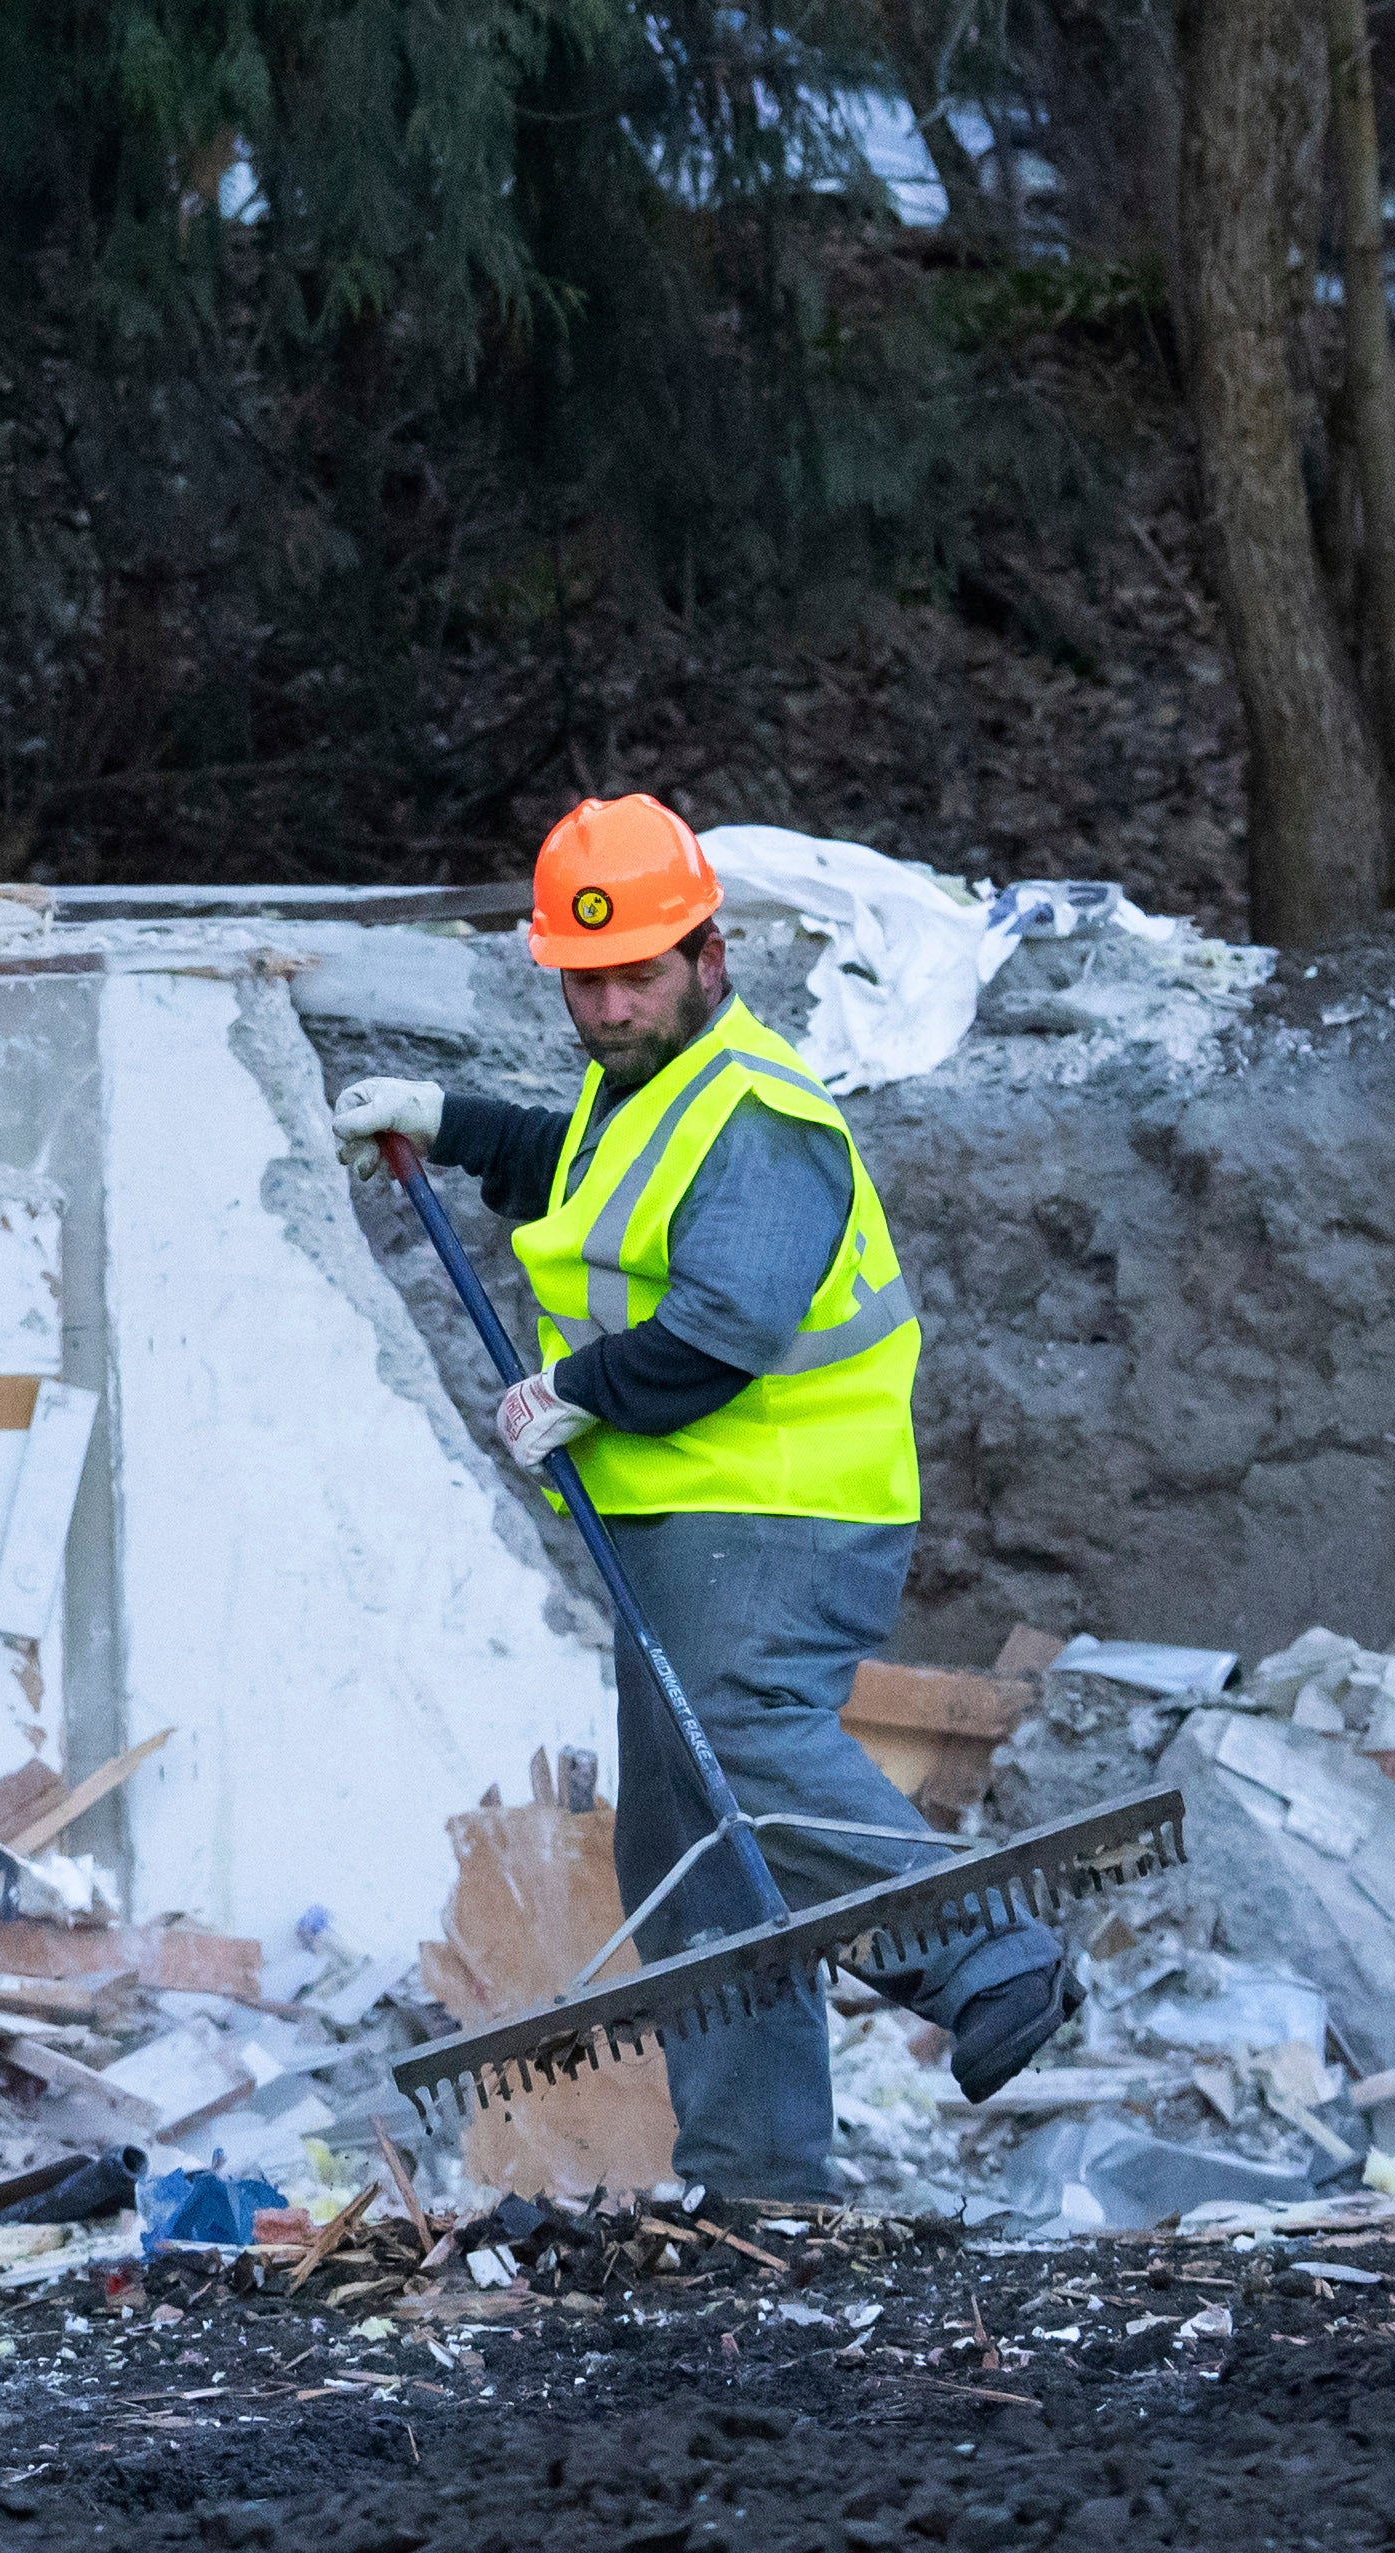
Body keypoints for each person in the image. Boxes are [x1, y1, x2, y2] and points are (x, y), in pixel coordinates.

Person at [329, 792, 1071, 2198]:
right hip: (679, 1514)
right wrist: (456, 1121)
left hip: (781, 1510)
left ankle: (990, 1953)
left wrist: (578, 1391)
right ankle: (760, 2177)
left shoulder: (762, 1114)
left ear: (706, 959)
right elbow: (593, 1178)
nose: (609, 1005)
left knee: (741, 1739)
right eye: (585, 980)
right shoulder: (654, 1093)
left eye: (637, 974)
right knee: (690, 1850)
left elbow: (725, 1320)